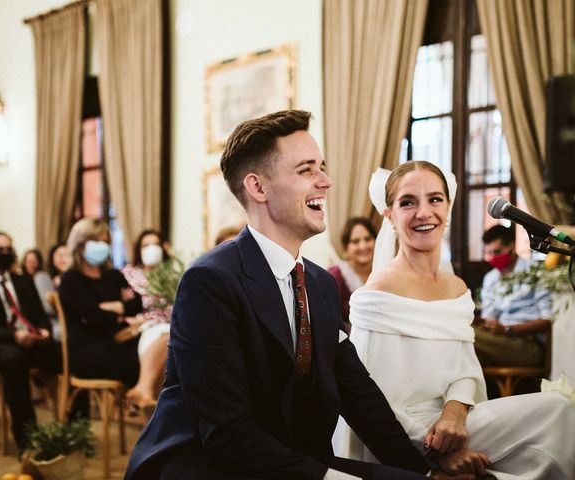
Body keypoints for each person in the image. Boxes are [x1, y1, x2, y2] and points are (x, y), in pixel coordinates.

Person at [124, 110, 453, 480]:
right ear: (258, 188)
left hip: (294, 463)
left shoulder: (319, 285)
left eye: (322, 167)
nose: (326, 182)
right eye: (306, 170)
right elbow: (226, 434)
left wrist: (424, 472)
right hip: (209, 466)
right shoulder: (209, 282)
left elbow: (358, 394)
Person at [344, 161, 575, 477]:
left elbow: (464, 369)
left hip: (456, 421)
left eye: (435, 199)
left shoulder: (456, 287)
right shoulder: (380, 290)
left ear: (448, 208)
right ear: (390, 216)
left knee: (559, 410)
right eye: (408, 202)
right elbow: (370, 401)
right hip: (407, 433)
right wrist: (433, 453)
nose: (424, 212)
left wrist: (454, 411)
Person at [0, 231, 61, 454]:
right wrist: (12, 335)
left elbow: (39, 317)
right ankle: (28, 440)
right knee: (14, 361)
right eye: (0, 250)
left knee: (61, 353)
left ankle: (69, 427)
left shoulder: (24, 281)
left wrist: (43, 331)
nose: (6, 253)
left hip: (27, 341)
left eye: (9, 248)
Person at [58, 218, 143, 395]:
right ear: (80, 244)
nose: (102, 246)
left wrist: (115, 307)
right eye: (96, 241)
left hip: (119, 340)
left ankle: (148, 401)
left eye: (105, 242)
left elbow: (138, 303)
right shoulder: (70, 280)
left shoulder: (113, 275)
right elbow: (95, 318)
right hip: (87, 351)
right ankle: (148, 402)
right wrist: (121, 310)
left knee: (163, 352)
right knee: (145, 360)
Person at [475, 225, 551, 371]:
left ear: (511, 246)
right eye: (488, 253)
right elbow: (489, 316)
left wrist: (508, 329)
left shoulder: (535, 272)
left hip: (528, 345)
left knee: (464, 337)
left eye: (496, 252)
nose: (492, 258)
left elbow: (548, 320)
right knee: (464, 347)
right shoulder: (490, 278)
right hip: (498, 341)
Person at [121, 229, 172, 409]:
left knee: (171, 342)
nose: (151, 248)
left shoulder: (170, 276)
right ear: (138, 250)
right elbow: (124, 305)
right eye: (146, 245)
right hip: (142, 327)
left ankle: (144, 393)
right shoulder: (129, 274)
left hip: (168, 324)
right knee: (168, 339)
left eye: (155, 244)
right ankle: (145, 390)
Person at [328, 217, 376, 330]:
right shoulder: (335, 275)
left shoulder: (382, 273)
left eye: (367, 239)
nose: (363, 246)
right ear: (346, 247)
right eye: (355, 241)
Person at [21, 249, 57, 339]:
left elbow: (48, 309)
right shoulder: (22, 281)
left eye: (34, 261)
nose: (31, 264)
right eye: (28, 262)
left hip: (48, 322)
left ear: (39, 263)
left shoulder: (40, 277)